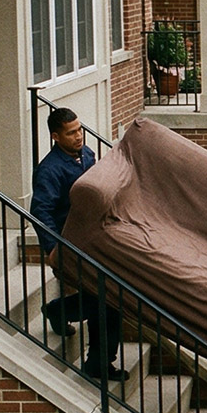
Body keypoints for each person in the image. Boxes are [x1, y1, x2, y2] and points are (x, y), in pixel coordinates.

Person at [31, 107, 125, 383]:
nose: (79, 136)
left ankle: (59, 310)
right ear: (55, 137)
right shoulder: (49, 170)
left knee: (106, 299)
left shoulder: (87, 156)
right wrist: (52, 248)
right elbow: (41, 211)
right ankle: (98, 364)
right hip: (69, 246)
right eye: (71, 133)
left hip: (94, 241)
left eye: (80, 130)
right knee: (106, 301)